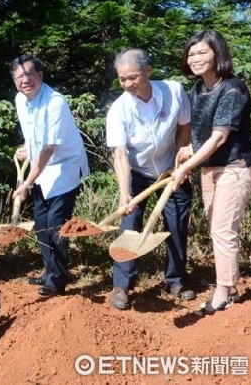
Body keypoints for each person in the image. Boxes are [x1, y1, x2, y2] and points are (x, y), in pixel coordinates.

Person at [173, 30, 251, 313]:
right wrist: (189, 150)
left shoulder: (233, 88)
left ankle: (225, 292)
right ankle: (228, 282)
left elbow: (220, 136)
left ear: (217, 54)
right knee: (216, 227)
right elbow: (203, 133)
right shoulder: (198, 89)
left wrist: (186, 165)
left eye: (202, 53)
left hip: (235, 166)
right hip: (209, 168)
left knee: (222, 230)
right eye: (191, 53)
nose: (194, 58)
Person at [105, 48, 195, 310]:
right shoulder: (119, 109)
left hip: (171, 170)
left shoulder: (174, 92)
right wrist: (125, 193)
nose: (127, 84)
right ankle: (122, 285)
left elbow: (184, 126)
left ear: (148, 71)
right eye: (122, 79)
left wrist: (182, 162)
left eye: (133, 77)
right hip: (136, 172)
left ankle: (176, 280)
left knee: (177, 223)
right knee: (129, 224)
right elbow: (120, 154)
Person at [10, 54, 89, 297]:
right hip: (41, 167)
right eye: (20, 76)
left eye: (30, 74)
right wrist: (26, 147)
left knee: (56, 222)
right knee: (41, 222)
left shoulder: (56, 102)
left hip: (65, 166)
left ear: (40, 75)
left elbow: (49, 147)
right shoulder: (20, 100)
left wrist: (27, 182)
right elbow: (34, 134)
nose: (26, 80)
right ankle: (49, 270)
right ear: (14, 80)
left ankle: (57, 280)